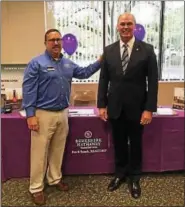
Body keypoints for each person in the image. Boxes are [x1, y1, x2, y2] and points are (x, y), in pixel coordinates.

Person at [22, 28, 101, 205]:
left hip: (63, 113)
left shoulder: (67, 64)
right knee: (39, 154)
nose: (56, 43)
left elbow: (84, 73)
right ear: (45, 43)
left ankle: (54, 179)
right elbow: (28, 90)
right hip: (43, 114)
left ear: (62, 42)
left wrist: (100, 61)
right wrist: (30, 115)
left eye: (58, 39)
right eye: (52, 40)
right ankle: (36, 187)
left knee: (58, 150)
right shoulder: (36, 63)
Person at [97, 13, 158, 199]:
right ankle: (120, 174)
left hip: (137, 108)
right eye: (122, 24)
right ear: (117, 26)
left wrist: (149, 109)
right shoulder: (109, 50)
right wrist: (101, 105)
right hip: (115, 107)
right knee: (119, 143)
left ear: (134, 26)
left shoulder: (147, 50)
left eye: (129, 24)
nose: (125, 27)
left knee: (136, 144)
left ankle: (135, 178)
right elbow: (104, 80)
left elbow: (153, 82)